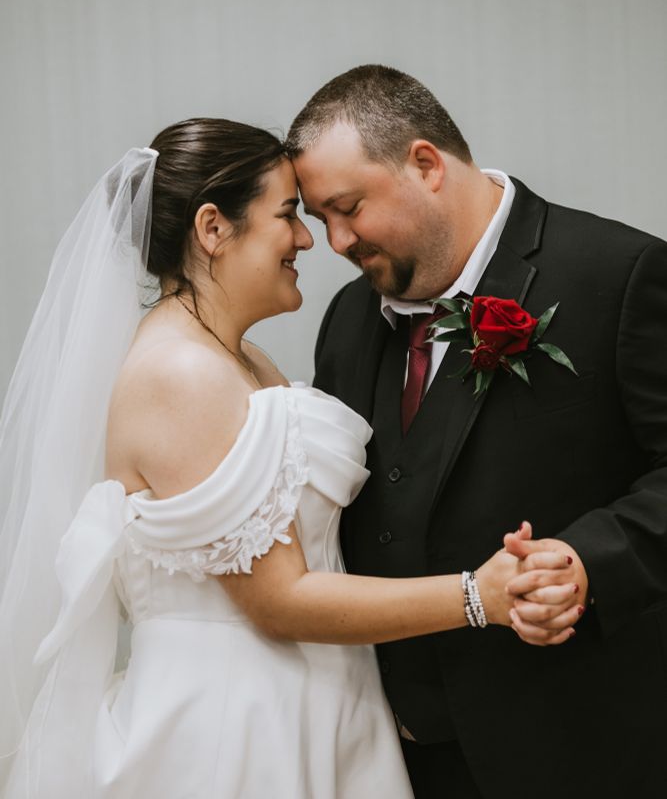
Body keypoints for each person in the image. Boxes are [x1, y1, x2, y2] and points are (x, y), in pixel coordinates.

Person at [0, 119, 576, 799]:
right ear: (213, 229)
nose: (309, 239)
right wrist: (478, 597)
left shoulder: (237, 358)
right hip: (234, 727)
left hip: (306, 698)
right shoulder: (180, 374)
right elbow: (279, 599)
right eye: (287, 215)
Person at [286, 65, 667, 799]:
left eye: (348, 207)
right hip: (394, 754)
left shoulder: (618, 274)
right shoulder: (346, 320)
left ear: (425, 164)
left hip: (579, 743)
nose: (335, 241)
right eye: (318, 218)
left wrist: (590, 561)